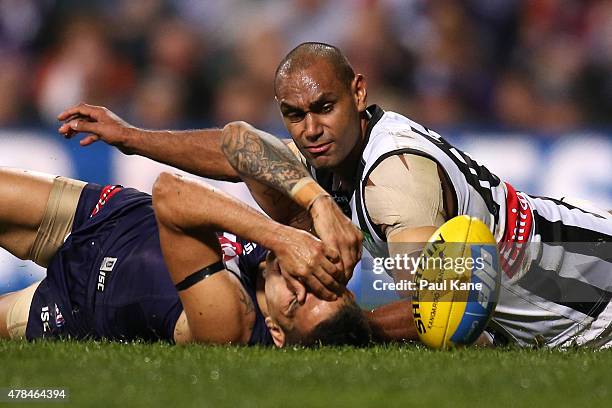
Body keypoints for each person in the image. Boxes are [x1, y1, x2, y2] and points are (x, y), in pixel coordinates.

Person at [57, 42, 612, 348]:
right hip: (560, 294)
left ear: (358, 91)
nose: (310, 128)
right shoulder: (336, 150)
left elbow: (435, 313)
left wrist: (343, 327)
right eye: (294, 116)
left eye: (324, 107)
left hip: (594, 301)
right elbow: (237, 148)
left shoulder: (395, 181)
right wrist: (131, 138)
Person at [0, 167, 372, 347]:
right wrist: (317, 201)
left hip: (75, 305)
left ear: (275, 330)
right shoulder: (301, 254)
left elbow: (170, 193)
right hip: (107, 214)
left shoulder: (231, 322)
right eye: (321, 289)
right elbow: (239, 141)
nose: (301, 281)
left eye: (295, 301)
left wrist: (281, 236)